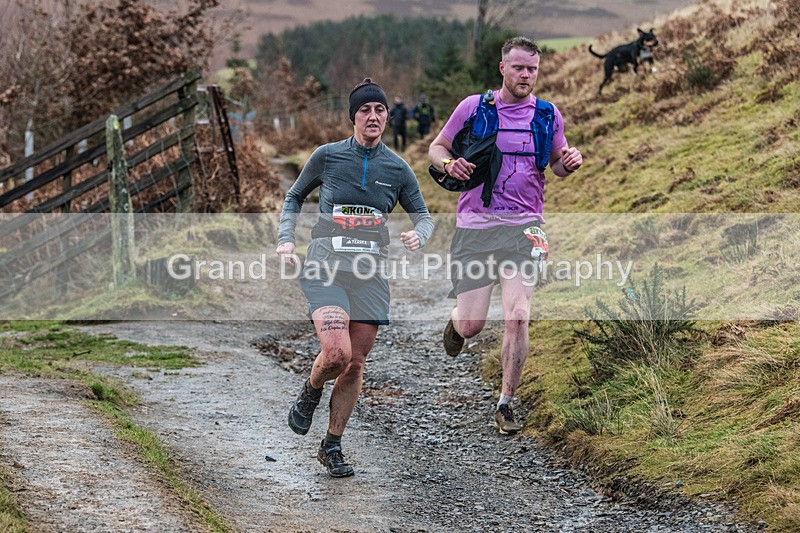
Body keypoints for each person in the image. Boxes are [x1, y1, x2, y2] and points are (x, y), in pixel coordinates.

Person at [276, 78, 434, 477]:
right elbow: (293, 196)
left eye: (380, 109)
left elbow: (425, 215)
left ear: (387, 116)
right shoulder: (327, 157)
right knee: (337, 353)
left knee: (356, 364)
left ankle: (331, 444)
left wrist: (420, 234)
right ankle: (310, 392)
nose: (374, 116)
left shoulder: (397, 168)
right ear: (353, 117)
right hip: (325, 268)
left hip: (370, 275)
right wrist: (285, 241)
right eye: (365, 110)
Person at [427, 36, 583, 435]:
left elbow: (558, 167)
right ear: (503, 68)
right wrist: (449, 163)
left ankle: (506, 403)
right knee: (472, 326)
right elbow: (437, 147)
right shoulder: (474, 107)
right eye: (518, 68)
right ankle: (456, 322)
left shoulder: (547, 115)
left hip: (526, 229)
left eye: (532, 68)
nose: (525, 75)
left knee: (518, 315)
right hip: (476, 228)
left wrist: (569, 162)